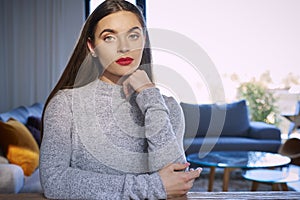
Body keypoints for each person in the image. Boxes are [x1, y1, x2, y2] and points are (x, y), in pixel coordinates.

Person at [39, 0, 202, 199]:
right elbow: (54, 180)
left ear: (143, 39)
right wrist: (151, 186)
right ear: (92, 46)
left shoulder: (164, 106)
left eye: (133, 35)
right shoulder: (66, 104)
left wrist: (150, 96)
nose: (124, 47)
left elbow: (175, 184)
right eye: (109, 37)